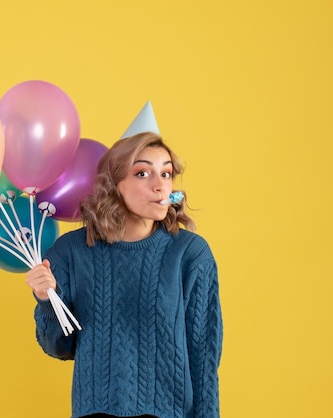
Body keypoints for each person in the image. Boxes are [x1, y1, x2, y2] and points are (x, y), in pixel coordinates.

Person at [26, 131, 223, 418]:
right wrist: (45, 298)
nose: (160, 186)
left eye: (166, 174)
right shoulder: (70, 251)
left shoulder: (190, 254)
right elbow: (60, 347)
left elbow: (203, 358)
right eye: (143, 173)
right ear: (114, 184)